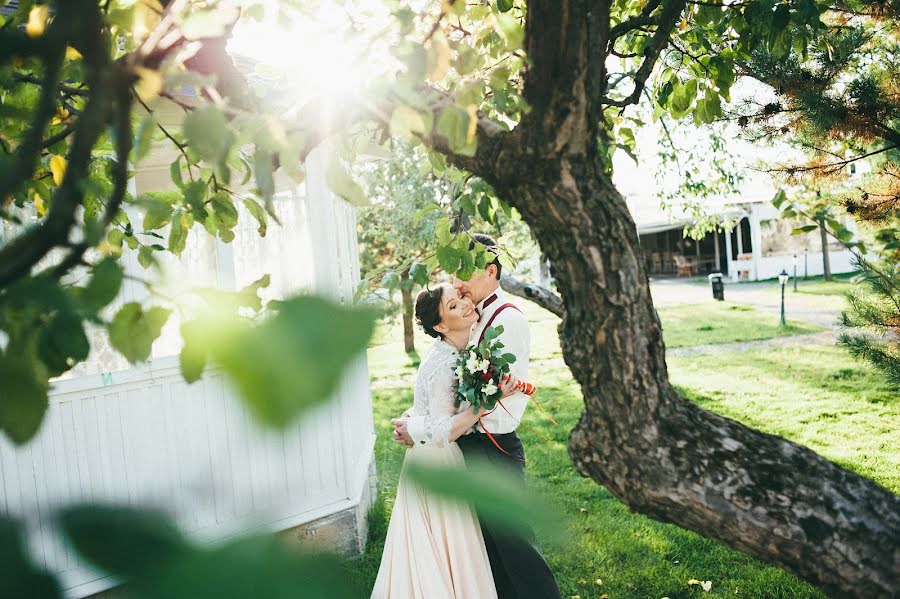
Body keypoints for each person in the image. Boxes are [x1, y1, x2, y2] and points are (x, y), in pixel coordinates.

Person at [392, 234, 562, 599]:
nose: (457, 283)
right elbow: (446, 390)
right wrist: (418, 421)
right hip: (466, 446)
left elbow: (494, 395)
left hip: (493, 447)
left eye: (464, 274)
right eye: (454, 275)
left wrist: (419, 428)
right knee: (490, 552)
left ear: (490, 271)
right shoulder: (471, 318)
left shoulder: (507, 320)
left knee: (517, 546)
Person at [371, 283, 518, 599]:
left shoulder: (451, 352)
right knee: (447, 546)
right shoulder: (447, 361)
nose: (466, 304)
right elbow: (444, 430)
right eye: (454, 306)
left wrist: (413, 421)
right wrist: (488, 401)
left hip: (430, 457)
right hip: (439, 460)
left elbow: (426, 409)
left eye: (462, 297)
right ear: (439, 326)